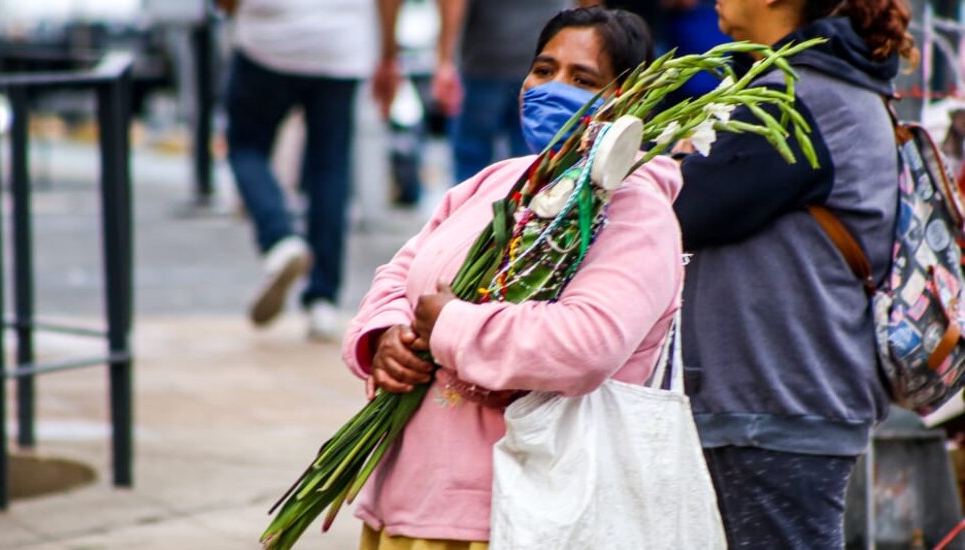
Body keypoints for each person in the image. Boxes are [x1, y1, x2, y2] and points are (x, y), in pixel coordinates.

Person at [341, 8, 675, 548]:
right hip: (410, 496)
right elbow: (402, 269)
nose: (551, 88)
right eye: (543, 70)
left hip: (512, 512)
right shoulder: (497, 180)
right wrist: (384, 337)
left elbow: (587, 343)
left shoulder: (635, 211)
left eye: (582, 79)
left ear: (627, 102)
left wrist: (451, 327)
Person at [672, 0, 918, 547]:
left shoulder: (801, 96)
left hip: (778, 407)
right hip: (786, 402)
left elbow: (684, 209)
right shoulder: (825, 85)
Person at [218, 0, 400, 340]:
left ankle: (279, 239)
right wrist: (389, 54)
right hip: (340, 46)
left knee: (246, 147)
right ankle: (323, 301)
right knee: (329, 168)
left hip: (267, 39)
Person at [431, 0, 579, 184]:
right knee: (533, 168)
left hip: (485, 61)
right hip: (542, 62)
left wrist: (445, 59)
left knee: (471, 172)